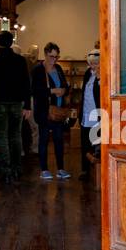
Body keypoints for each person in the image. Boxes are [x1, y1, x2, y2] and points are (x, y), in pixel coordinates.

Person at [0, 30, 31, 184]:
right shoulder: (20, 60)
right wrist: (27, 105)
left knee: (2, 136)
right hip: (17, 103)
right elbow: (26, 84)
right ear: (12, 42)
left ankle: (6, 170)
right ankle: (17, 168)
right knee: (16, 135)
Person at [27, 41, 71, 180]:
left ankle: (61, 169)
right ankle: (44, 169)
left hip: (57, 111)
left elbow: (65, 85)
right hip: (44, 112)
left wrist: (63, 90)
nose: (54, 60)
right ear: (45, 54)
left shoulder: (58, 68)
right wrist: (52, 91)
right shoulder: (38, 70)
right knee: (44, 140)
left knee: (59, 140)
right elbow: (34, 90)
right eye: (52, 56)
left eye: (56, 57)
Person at [80, 47, 101, 181]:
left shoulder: (103, 75)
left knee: (96, 143)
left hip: (97, 115)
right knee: (85, 142)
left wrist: (99, 79)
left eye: (95, 63)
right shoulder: (88, 73)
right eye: (91, 63)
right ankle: (85, 170)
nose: (92, 66)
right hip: (86, 113)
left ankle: (97, 173)